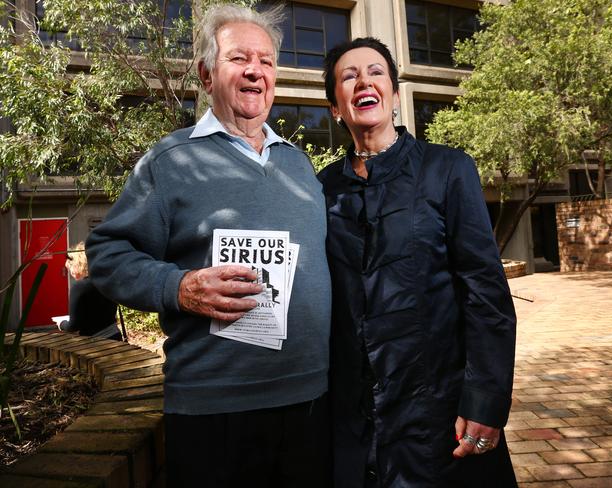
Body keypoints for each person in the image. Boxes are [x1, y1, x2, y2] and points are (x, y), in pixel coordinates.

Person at [85, 4, 332, 487]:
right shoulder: (172, 160)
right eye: (239, 58)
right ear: (205, 74)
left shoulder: (300, 164)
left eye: (265, 61)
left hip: (308, 402)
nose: (255, 71)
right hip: (213, 409)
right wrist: (179, 288)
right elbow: (108, 254)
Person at [318, 37, 518, 487]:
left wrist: (484, 401)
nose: (363, 81)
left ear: (392, 91)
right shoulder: (323, 188)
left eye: (375, 72)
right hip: (355, 422)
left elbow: (486, 295)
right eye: (349, 76)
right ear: (335, 107)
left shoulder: (447, 169)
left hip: (439, 418)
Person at [59, 242, 122, 341]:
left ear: (76, 265)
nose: (70, 273)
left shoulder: (79, 287)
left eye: (69, 268)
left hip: (95, 343)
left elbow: (73, 326)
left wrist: (61, 324)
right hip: (115, 337)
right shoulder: (107, 280)